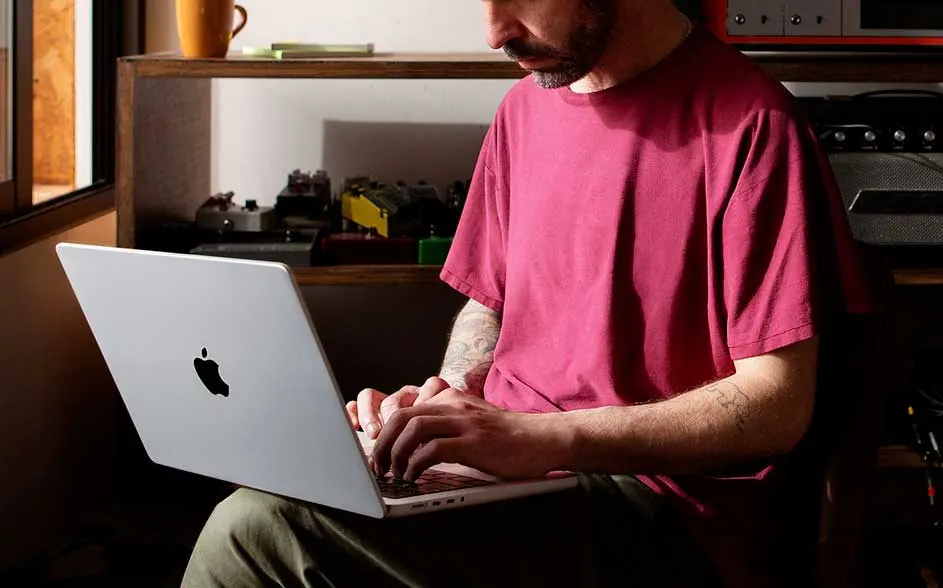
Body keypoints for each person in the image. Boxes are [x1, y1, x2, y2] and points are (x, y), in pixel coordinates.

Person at [181, 0, 875, 586]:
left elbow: (776, 406)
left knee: (257, 531)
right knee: (278, 501)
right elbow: (490, 302)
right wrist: (439, 408)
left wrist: (534, 436)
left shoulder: (753, 124)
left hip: (657, 509)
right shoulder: (522, 110)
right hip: (511, 468)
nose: (494, 32)